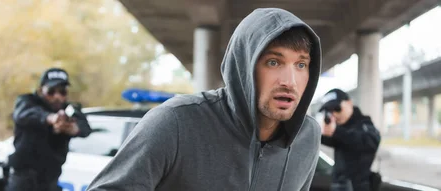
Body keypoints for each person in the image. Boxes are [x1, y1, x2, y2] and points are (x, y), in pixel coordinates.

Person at [88, 8, 322, 191]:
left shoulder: (307, 136)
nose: (290, 81)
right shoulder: (176, 122)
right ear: (244, 67)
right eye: (274, 62)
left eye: (301, 65)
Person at [6, 68, 94, 191]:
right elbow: (25, 114)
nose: (57, 96)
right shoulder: (28, 101)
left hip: (50, 179)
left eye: (62, 92)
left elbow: (85, 128)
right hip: (23, 178)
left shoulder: (70, 109)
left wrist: (72, 128)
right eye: (51, 91)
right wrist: (51, 118)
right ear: (41, 90)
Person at [318, 88, 382, 191]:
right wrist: (320, 132)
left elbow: (371, 142)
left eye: (337, 108)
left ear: (349, 103)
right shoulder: (341, 129)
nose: (334, 114)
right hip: (338, 186)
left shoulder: (363, 123)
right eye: (329, 111)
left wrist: (336, 131)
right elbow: (331, 141)